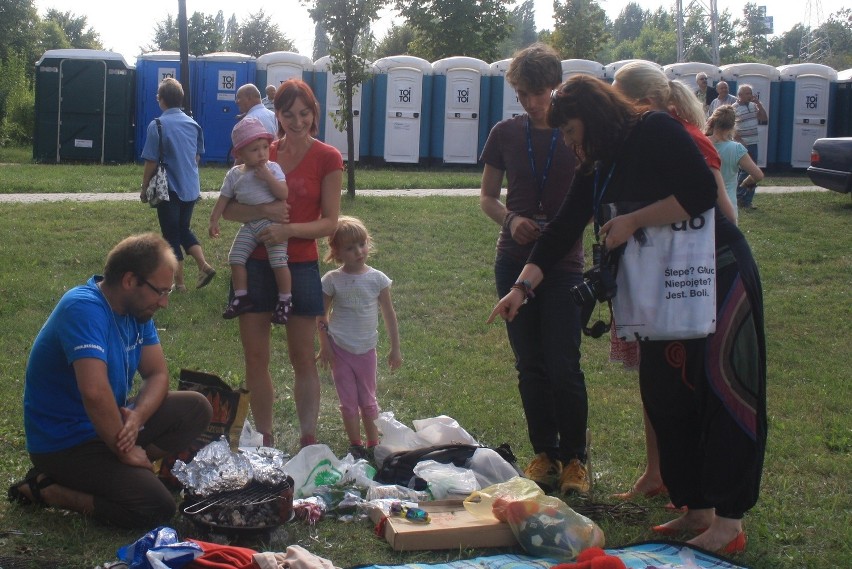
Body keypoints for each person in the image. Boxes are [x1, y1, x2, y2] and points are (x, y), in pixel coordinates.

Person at [489, 76, 766, 554]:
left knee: (722, 391)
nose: (571, 144)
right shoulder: (598, 162)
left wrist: (635, 220)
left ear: (593, 118)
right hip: (663, 290)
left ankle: (729, 522)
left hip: (717, 278)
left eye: (573, 132)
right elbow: (561, 232)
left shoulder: (654, 128)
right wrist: (522, 287)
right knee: (668, 394)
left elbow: (702, 190)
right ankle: (696, 508)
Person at [8, 233, 213, 528]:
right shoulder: (83, 307)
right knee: (157, 508)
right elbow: (93, 391)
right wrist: (124, 448)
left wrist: (136, 417)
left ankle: (132, 468)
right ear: (130, 281)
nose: (164, 303)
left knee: (196, 407)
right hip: (64, 444)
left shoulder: (136, 311)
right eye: (160, 291)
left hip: (109, 426)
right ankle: (51, 491)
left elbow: (157, 374)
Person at [608, 61, 737, 503]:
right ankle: (658, 472)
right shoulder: (653, 136)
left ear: (644, 103)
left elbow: (723, 212)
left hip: (689, 284)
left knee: (681, 385)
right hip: (658, 281)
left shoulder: (688, 141)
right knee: (657, 382)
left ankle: (687, 486)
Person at [479, 43, 590, 495]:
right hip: (513, 261)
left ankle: (576, 459)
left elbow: (592, 197)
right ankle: (544, 452)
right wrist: (511, 218)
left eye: (538, 93)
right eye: (522, 94)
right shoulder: (505, 134)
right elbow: (486, 197)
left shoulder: (576, 133)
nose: (530, 102)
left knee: (564, 363)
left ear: (555, 87)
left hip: (564, 263)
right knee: (530, 365)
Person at [222, 79, 343, 449]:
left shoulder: (328, 157)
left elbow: (330, 223)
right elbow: (228, 208)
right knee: (255, 358)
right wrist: (264, 212)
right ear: (277, 116)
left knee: (302, 357)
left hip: (301, 266)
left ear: (314, 114)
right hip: (255, 265)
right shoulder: (260, 151)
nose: (297, 121)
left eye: (304, 113)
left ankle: (308, 440)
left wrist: (286, 230)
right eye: (288, 114)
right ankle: (265, 441)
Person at [317, 216, 402, 460]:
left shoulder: (377, 279)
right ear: (336, 251)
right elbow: (321, 315)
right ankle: (356, 444)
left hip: (366, 350)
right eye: (350, 248)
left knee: (368, 400)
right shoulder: (332, 280)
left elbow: (389, 315)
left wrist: (395, 348)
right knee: (348, 401)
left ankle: (373, 443)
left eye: (362, 244)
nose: (359, 251)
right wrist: (325, 346)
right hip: (339, 349)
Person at [209, 117, 292, 325]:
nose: (262, 153)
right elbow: (224, 199)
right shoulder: (234, 175)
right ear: (239, 154)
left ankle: (285, 300)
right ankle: (241, 297)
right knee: (235, 257)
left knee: (278, 260)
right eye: (255, 149)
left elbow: (283, 193)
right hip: (250, 225)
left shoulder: (273, 169)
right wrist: (214, 219)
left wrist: (269, 179)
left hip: (273, 225)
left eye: (265, 147)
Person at [140, 77, 216, 292]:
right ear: (181, 99)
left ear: (160, 99)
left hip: (169, 189)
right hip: (190, 187)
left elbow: (151, 161)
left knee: (171, 235)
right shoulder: (194, 124)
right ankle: (203, 265)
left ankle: (179, 284)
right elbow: (197, 157)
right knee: (183, 228)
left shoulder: (157, 125)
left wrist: (145, 187)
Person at [707, 105, 764, 221]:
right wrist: (747, 182)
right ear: (733, 125)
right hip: (727, 205)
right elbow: (758, 175)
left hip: (704, 204)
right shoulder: (736, 149)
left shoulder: (701, 143)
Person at [732, 84, 768, 210]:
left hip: (753, 143)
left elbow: (764, 118)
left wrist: (759, 104)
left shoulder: (753, 106)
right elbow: (731, 128)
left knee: (753, 172)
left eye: (750, 93)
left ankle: (748, 200)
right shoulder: (734, 108)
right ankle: (739, 197)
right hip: (742, 144)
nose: (750, 95)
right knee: (744, 172)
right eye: (747, 93)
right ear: (740, 95)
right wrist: (740, 141)